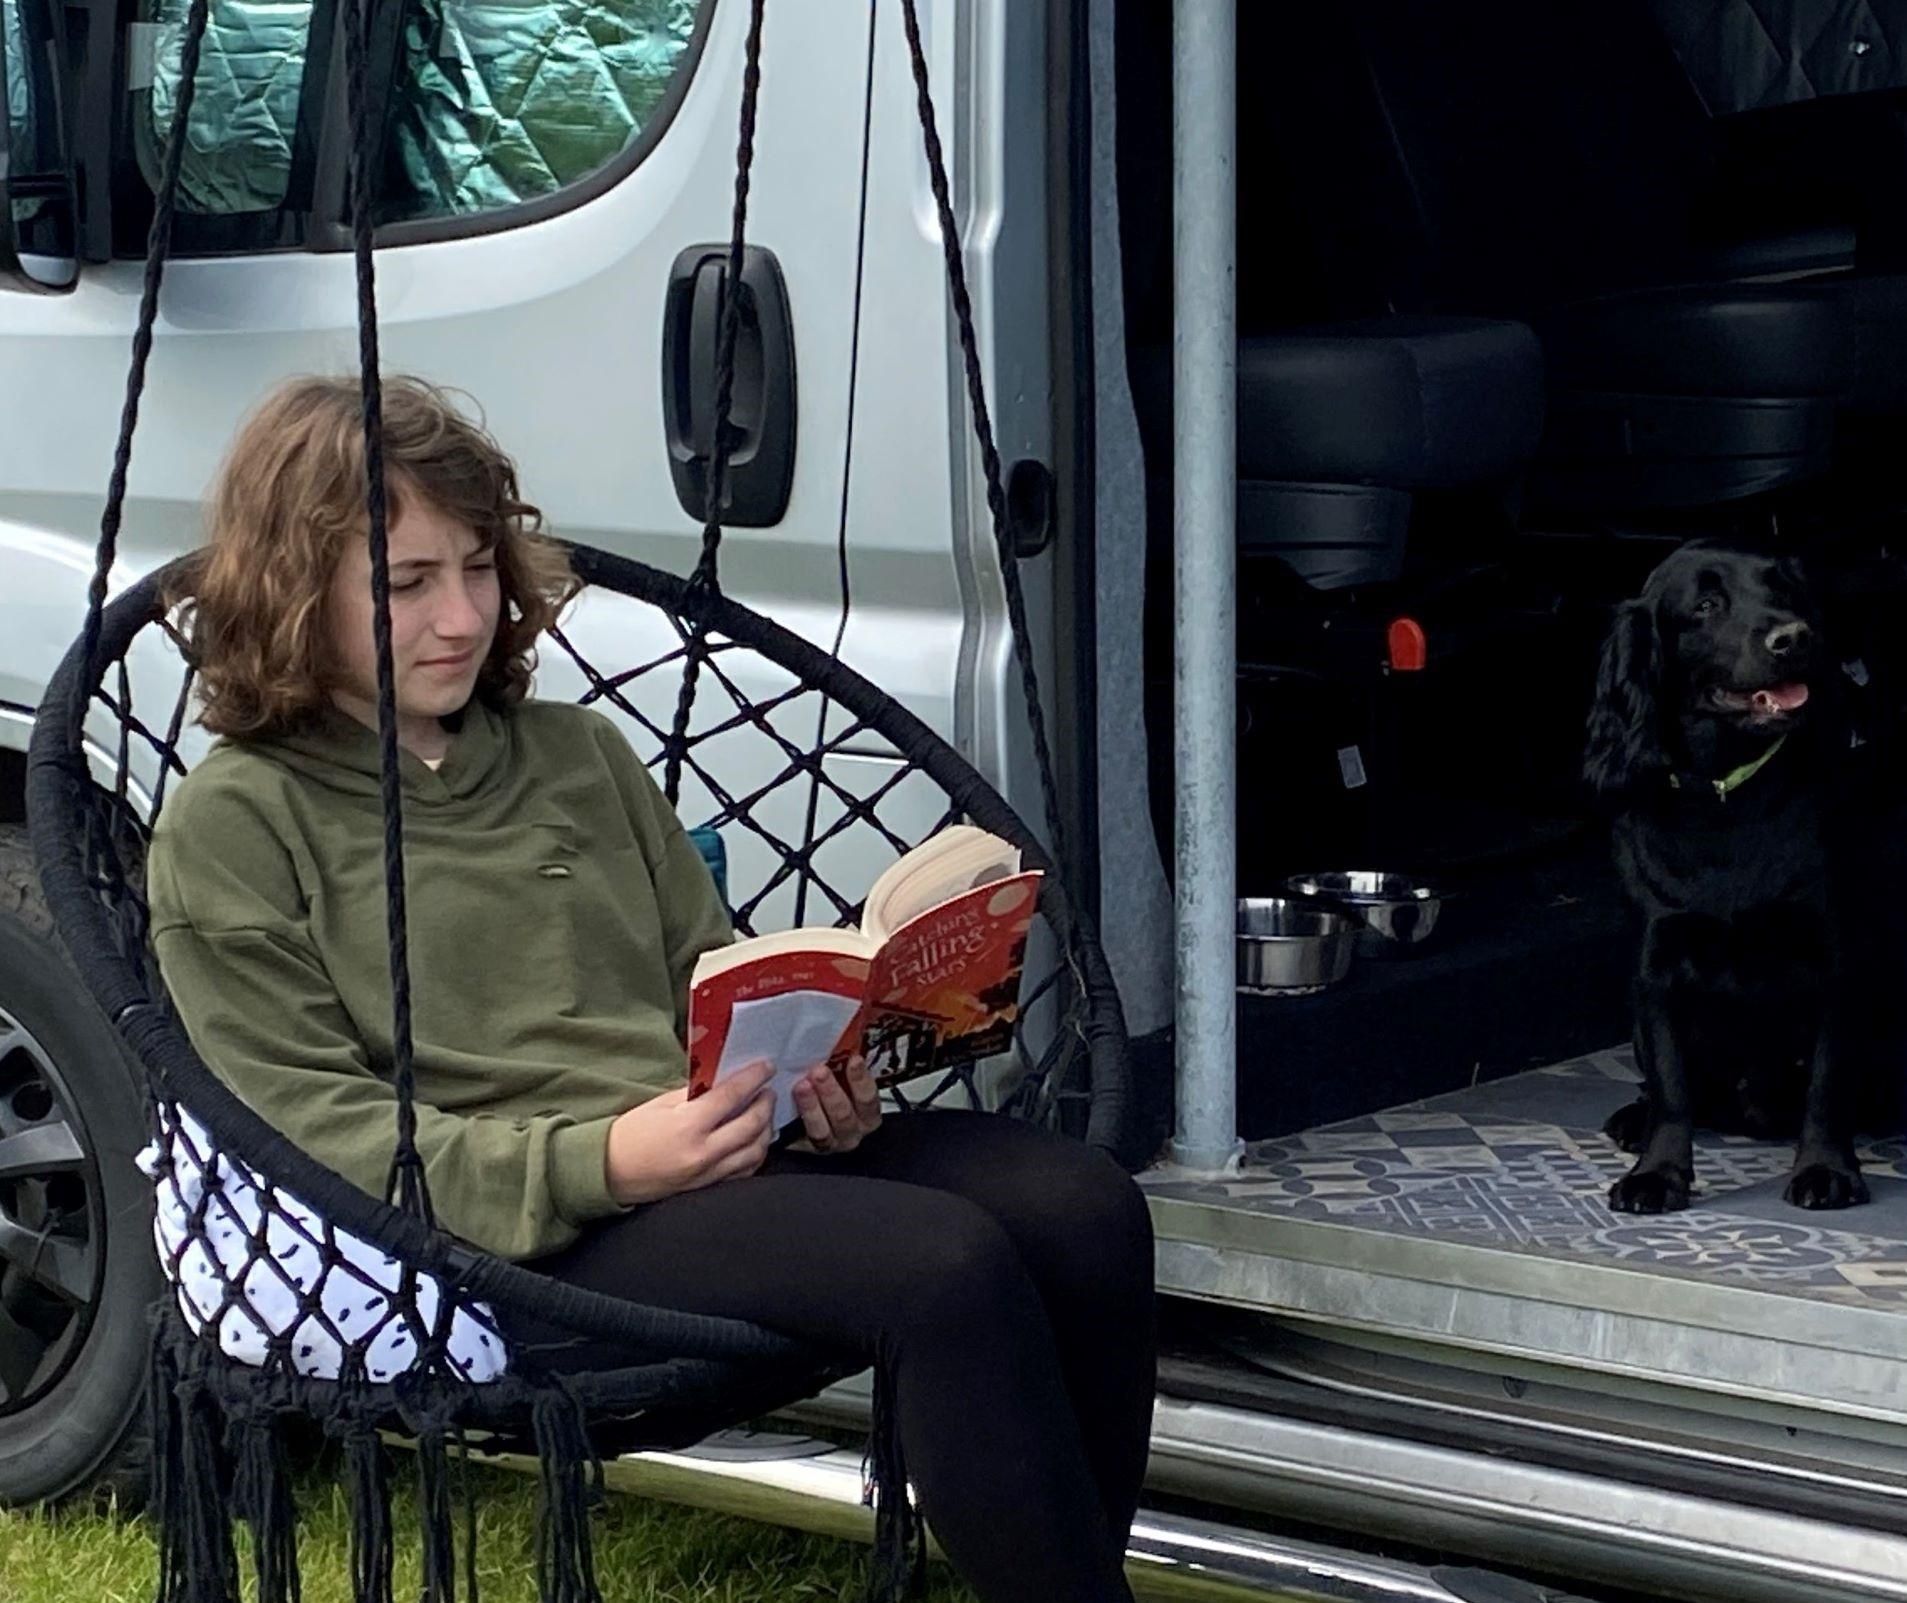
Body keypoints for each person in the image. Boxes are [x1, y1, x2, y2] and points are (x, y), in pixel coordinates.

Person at [145, 374, 1156, 1603]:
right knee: (942, 1268)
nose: (462, 615)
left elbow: (704, 977)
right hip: (519, 1240)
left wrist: (815, 1076)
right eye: (407, 585)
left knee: (1084, 1204)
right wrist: (610, 1161)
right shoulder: (238, 823)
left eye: (477, 567)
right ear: (293, 596)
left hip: (707, 1152)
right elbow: (310, 1130)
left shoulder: (576, 752)